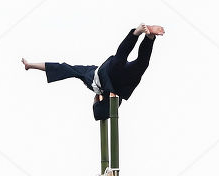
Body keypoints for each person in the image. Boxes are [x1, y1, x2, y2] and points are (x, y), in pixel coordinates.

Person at [22, 24, 164, 121]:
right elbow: (61, 67)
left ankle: (139, 34)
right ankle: (148, 37)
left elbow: (60, 68)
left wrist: (31, 65)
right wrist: (31, 65)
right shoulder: (108, 94)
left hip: (109, 75)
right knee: (136, 62)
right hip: (121, 80)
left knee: (131, 61)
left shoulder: (87, 75)